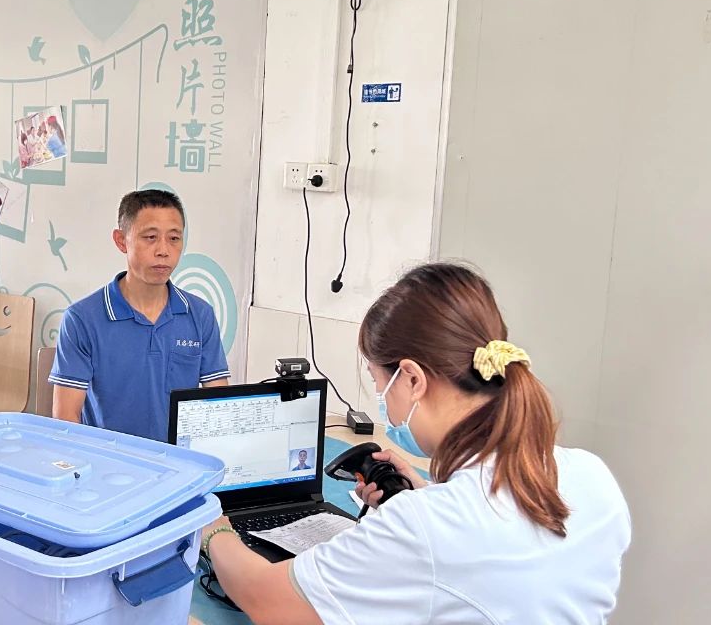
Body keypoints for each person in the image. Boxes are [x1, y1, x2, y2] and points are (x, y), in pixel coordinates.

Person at [201, 263, 631, 623]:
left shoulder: (426, 527)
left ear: (411, 378)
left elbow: (266, 598)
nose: (381, 399)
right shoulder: (593, 477)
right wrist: (428, 494)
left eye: (377, 381)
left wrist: (212, 527)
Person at [51, 190, 230, 441]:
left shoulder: (200, 315)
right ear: (121, 241)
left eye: (174, 238)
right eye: (150, 237)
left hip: (178, 459)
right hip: (108, 459)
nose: (164, 250)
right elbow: (65, 417)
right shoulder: (82, 319)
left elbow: (218, 405)